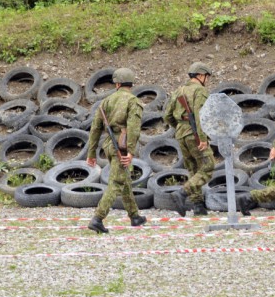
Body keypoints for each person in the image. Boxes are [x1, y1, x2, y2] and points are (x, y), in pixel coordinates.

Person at [87, 68, 184, 233]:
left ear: (117, 83)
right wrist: (130, 151)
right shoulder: (133, 102)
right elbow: (133, 129)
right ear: (131, 83)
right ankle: (98, 218)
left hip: (109, 145)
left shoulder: (105, 102)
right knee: (117, 182)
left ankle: (134, 216)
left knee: (123, 181)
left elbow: (95, 129)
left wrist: (91, 154)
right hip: (122, 146)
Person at [163, 62, 216, 215]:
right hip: (195, 133)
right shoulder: (200, 91)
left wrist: (180, 126)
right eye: (207, 77)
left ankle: (198, 205)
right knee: (208, 166)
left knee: (192, 168)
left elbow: (167, 115)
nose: (207, 80)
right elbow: (201, 116)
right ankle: (182, 193)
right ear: (200, 75)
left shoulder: (179, 91)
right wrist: (202, 137)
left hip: (181, 133)